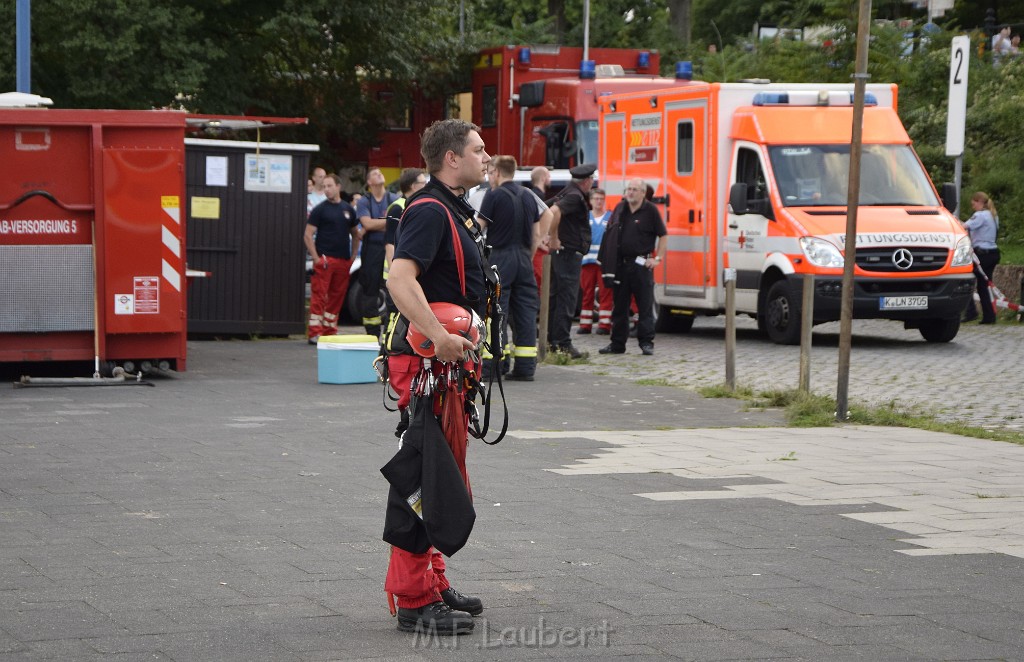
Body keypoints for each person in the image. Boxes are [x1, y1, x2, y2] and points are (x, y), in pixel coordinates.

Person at [384, 118, 491, 635]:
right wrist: (440, 335)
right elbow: (399, 279)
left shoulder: (452, 210)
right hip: (430, 365)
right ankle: (413, 600)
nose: (486, 156)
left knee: (442, 476)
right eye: (478, 149)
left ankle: (432, 582)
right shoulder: (429, 211)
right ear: (452, 158)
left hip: (446, 367)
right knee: (427, 477)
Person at [478, 155, 542, 380]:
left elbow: (479, 227)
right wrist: (527, 257)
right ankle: (525, 368)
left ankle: (493, 368)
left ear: (496, 172)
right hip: (525, 258)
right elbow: (536, 235)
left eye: (489, 172)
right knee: (525, 312)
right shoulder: (529, 196)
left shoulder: (493, 195)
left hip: (501, 258)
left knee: (497, 312)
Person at [598, 178, 668, 355]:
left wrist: (657, 258)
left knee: (644, 306)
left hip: (641, 265)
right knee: (620, 307)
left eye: (634, 189)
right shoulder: (620, 208)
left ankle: (646, 343)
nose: (630, 192)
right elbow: (610, 234)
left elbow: (663, 235)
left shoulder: (650, 210)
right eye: (628, 189)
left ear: (643, 193)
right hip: (621, 265)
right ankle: (617, 344)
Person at [303, 174, 361, 343]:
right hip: (325, 260)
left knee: (337, 297)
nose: (326, 189)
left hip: (343, 261)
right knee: (319, 296)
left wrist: (352, 257)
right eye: (324, 186)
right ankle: (314, 332)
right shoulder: (320, 209)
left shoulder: (348, 209)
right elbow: (308, 234)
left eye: (329, 186)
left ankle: (329, 331)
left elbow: (356, 234)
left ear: (338, 186)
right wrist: (316, 258)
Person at [546, 163, 595, 358]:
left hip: (562, 254)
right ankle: (563, 343)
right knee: (566, 298)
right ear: (587, 181)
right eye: (591, 180)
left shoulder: (567, 191)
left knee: (556, 298)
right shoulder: (575, 196)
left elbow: (546, 207)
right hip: (567, 253)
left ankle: (553, 341)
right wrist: (553, 237)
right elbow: (555, 212)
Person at [356, 168, 399, 339]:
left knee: (394, 287)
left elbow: (372, 225)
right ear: (369, 182)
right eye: (374, 174)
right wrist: (388, 222)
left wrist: (373, 225)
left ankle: (391, 330)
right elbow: (366, 223)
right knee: (370, 289)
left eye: (380, 172)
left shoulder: (393, 198)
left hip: (390, 246)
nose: (379, 174)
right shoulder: (364, 201)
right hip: (372, 249)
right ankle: (372, 334)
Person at [962, 191, 1000, 325]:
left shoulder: (979, 215)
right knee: (985, 286)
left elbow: (963, 227)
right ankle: (989, 316)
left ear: (979, 202)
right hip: (993, 253)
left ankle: (971, 312)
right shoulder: (993, 215)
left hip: (981, 255)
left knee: (964, 279)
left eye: (974, 204)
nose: (973, 206)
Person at [579, 187, 612, 336]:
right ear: (590, 201)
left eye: (601, 199)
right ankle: (585, 324)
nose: (599, 202)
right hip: (587, 261)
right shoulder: (585, 218)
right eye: (596, 199)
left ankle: (604, 325)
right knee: (587, 293)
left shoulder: (610, 217)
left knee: (605, 293)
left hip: (604, 261)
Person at [530, 166, 552, 291]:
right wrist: (540, 240)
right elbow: (536, 221)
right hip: (537, 247)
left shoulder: (535, 195)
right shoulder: (536, 197)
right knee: (540, 280)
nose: (550, 179)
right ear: (543, 178)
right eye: (548, 176)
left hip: (537, 246)